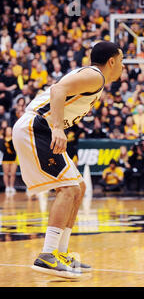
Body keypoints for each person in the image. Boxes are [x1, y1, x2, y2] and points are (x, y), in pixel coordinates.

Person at [12, 41, 124, 279]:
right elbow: (57, 90)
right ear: (112, 62)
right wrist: (57, 128)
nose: (123, 67)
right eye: (121, 61)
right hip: (37, 126)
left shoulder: (93, 78)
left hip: (41, 127)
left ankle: (60, 253)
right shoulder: (95, 76)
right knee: (69, 188)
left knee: (79, 187)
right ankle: (48, 254)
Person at [0, 127, 17, 193]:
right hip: (6, 159)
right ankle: (7, 187)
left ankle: (11, 186)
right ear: (5, 132)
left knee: (13, 174)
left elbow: (15, 148)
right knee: (6, 173)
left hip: (13, 158)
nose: (9, 131)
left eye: (10, 130)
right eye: (8, 130)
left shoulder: (14, 139)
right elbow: (2, 149)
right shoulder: (2, 140)